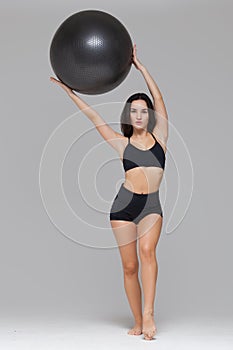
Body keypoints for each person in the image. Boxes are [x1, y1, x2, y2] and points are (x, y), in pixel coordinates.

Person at [50, 44, 169, 341]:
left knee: (147, 253)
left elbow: (160, 98)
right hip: (124, 206)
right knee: (129, 266)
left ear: (149, 115)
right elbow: (94, 118)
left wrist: (141, 68)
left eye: (143, 111)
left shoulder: (161, 138)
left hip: (150, 205)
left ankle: (149, 315)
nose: (139, 115)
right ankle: (138, 321)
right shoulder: (121, 143)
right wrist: (70, 93)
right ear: (129, 116)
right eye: (134, 111)